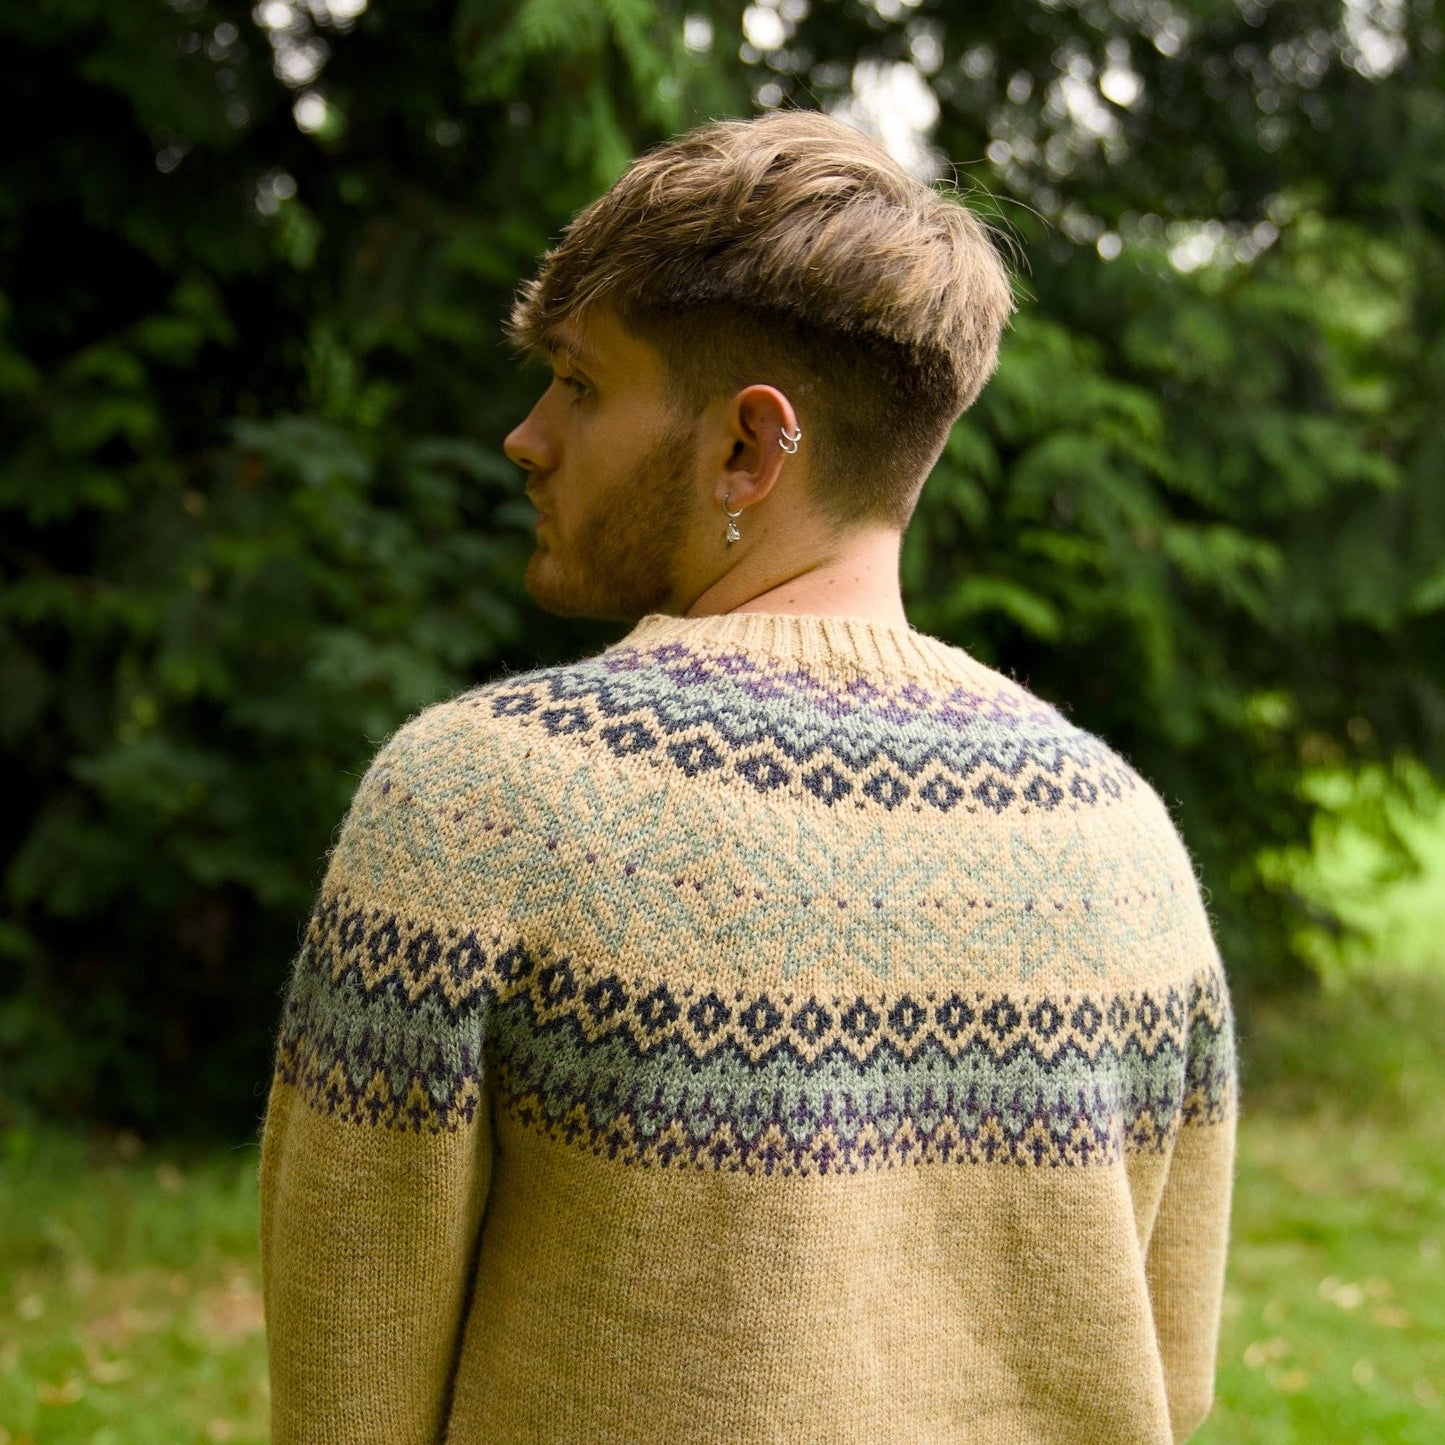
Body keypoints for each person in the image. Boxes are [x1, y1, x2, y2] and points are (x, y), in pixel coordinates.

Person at [257, 109, 1236, 1444]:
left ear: (747, 449)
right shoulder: (1120, 838)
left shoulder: (480, 808)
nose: (526, 437)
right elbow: (1162, 1380)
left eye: (578, 383)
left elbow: (349, 1389)